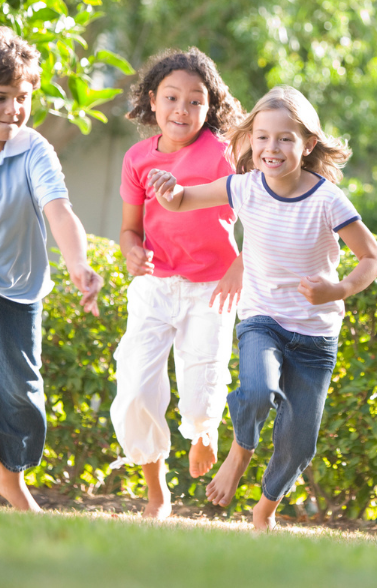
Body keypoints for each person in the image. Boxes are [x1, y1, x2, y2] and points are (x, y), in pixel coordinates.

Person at [148, 85, 377, 530]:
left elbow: (373, 257)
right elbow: (182, 199)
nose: (270, 148)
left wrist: (337, 290)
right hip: (263, 319)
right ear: (249, 140)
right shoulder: (246, 188)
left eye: (284, 139)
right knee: (256, 390)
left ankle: (264, 511)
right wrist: (168, 189)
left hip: (316, 334)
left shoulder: (327, 199)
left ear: (308, 144)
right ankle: (240, 451)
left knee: (299, 443)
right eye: (261, 137)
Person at [0, 26, 103, 511]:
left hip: (19, 280)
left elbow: (59, 210)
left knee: (21, 386)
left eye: (23, 97)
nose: (15, 109)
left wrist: (78, 265)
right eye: (1, 97)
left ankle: (8, 476)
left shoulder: (34, 149)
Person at [109, 48, 246, 519]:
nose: (181, 110)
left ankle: (204, 431)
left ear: (211, 108)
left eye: (195, 101)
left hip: (213, 287)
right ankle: (156, 492)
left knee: (201, 381)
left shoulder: (224, 154)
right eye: (171, 98)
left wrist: (240, 265)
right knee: (136, 387)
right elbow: (130, 228)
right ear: (153, 100)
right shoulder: (137, 159)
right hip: (156, 285)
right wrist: (131, 250)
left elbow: (264, 213)